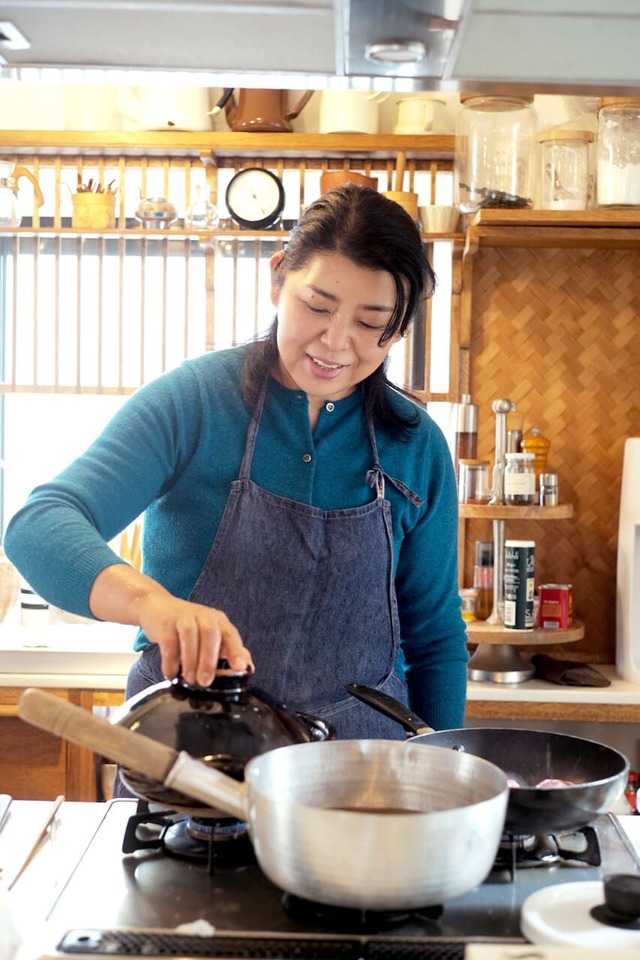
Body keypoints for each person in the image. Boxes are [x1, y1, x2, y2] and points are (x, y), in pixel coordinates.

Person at [5, 183, 468, 744]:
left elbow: (436, 640)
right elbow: (39, 525)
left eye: (372, 324)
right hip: (190, 769)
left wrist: (448, 776)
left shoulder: (417, 445)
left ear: (399, 329)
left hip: (359, 780)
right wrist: (154, 605)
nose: (336, 342)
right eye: (317, 307)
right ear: (277, 279)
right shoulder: (195, 401)